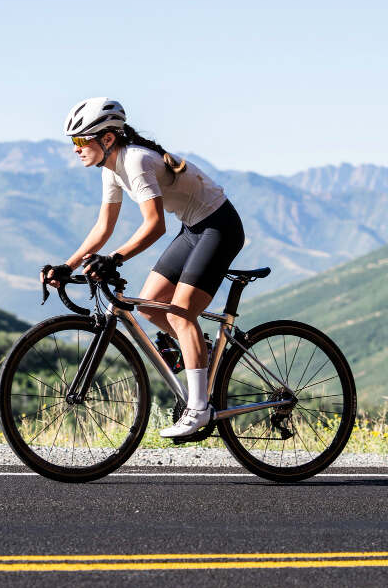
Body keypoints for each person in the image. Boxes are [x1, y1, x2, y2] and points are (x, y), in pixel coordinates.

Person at [41, 97, 245, 437]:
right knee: (151, 305)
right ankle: (201, 352)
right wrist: (67, 265)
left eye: (80, 140)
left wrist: (114, 258)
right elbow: (103, 227)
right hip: (194, 228)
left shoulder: (135, 161)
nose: (75, 149)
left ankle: (199, 410)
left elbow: (154, 226)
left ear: (107, 139)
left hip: (219, 227)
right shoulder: (111, 167)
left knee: (181, 314)